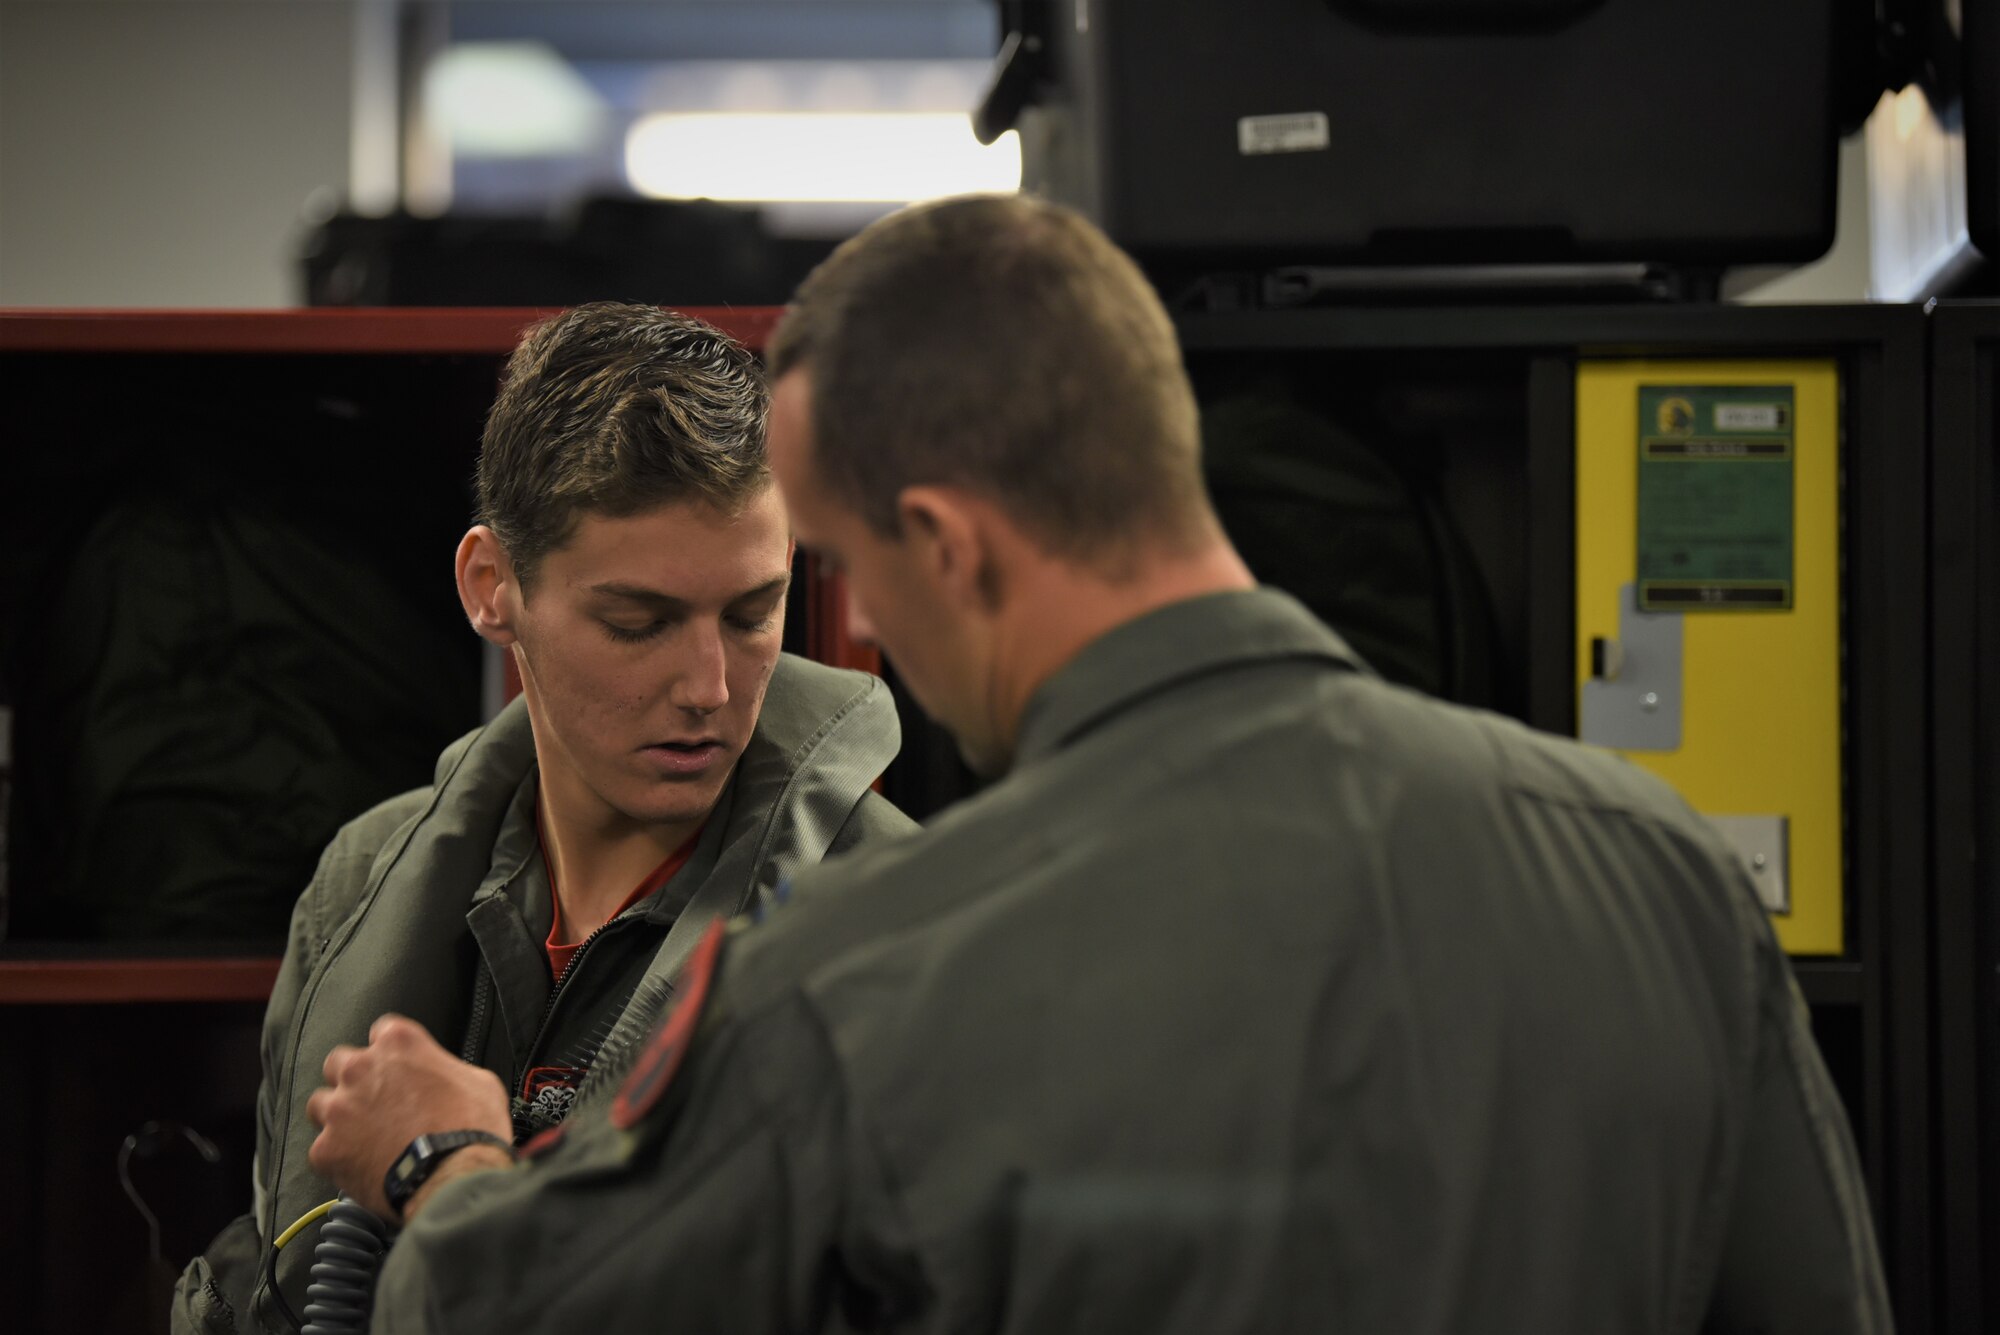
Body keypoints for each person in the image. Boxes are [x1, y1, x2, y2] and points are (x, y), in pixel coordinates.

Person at [303, 198, 1891, 1334]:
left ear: (947, 545)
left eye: (833, 576)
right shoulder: (1663, 871)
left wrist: (442, 1163)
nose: (827, 664)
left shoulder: (868, 967)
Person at [170, 302, 915, 1334]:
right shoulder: (363, 888)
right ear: (493, 590)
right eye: (636, 622)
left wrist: (448, 1175)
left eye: (751, 612)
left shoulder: (895, 927)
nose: (707, 685)